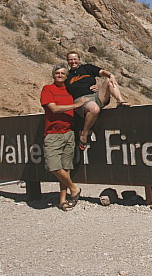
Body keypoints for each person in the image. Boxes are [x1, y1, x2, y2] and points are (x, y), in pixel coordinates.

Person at [40, 63, 87, 211]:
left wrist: (93, 88)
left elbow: (84, 88)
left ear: (66, 76)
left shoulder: (69, 90)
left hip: (69, 133)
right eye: (57, 73)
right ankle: (74, 189)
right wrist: (76, 105)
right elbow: (53, 108)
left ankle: (62, 200)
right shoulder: (48, 89)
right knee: (53, 166)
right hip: (53, 134)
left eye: (62, 73)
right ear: (53, 75)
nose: (60, 75)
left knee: (66, 168)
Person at [65, 50, 129, 150]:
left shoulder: (87, 68)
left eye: (75, 59)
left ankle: (120, 101)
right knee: (94, 109)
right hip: (81, 100)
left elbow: (102, 72)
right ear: (68, 61)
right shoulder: (67, 76)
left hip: (95, 96)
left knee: (109, 80)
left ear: (79, 60)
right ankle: (84, 133)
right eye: (70, 60)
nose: (73, 62)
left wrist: (110, 75)